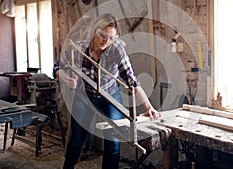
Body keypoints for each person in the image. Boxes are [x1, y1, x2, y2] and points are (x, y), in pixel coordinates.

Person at [53, 13, 161, 169]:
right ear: (94, 31)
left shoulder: (117, 48)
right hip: (84, 95)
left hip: (110, 93)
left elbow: (131, 80)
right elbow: (58, 66)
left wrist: (148, 107)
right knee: (77, 139)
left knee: (113, 140)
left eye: (112, 38)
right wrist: (62, 76)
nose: (106, 41)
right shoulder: (79, 48)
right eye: (103, 35)